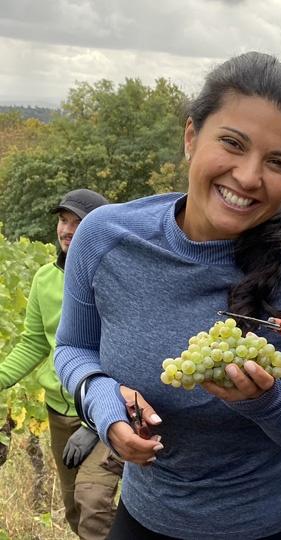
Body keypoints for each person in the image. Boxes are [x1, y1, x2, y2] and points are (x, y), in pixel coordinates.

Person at [54, 52, 281, 539]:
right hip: (145, 521)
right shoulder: (104, 238)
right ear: (191, 137)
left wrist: (264, 402)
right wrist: (101, 400)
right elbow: (73, 349)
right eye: (232, 143)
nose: (249, 177)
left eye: (277, 162)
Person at [0, 188, 119, 539]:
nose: (67, 229)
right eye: (63, 220)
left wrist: (97, 420)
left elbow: (128, 352)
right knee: (73, 510)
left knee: (93, 499)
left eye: (78, 222)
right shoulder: (44, 279)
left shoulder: (115, 280)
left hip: (107, 410)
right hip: (59, 413)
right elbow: (33, 343)